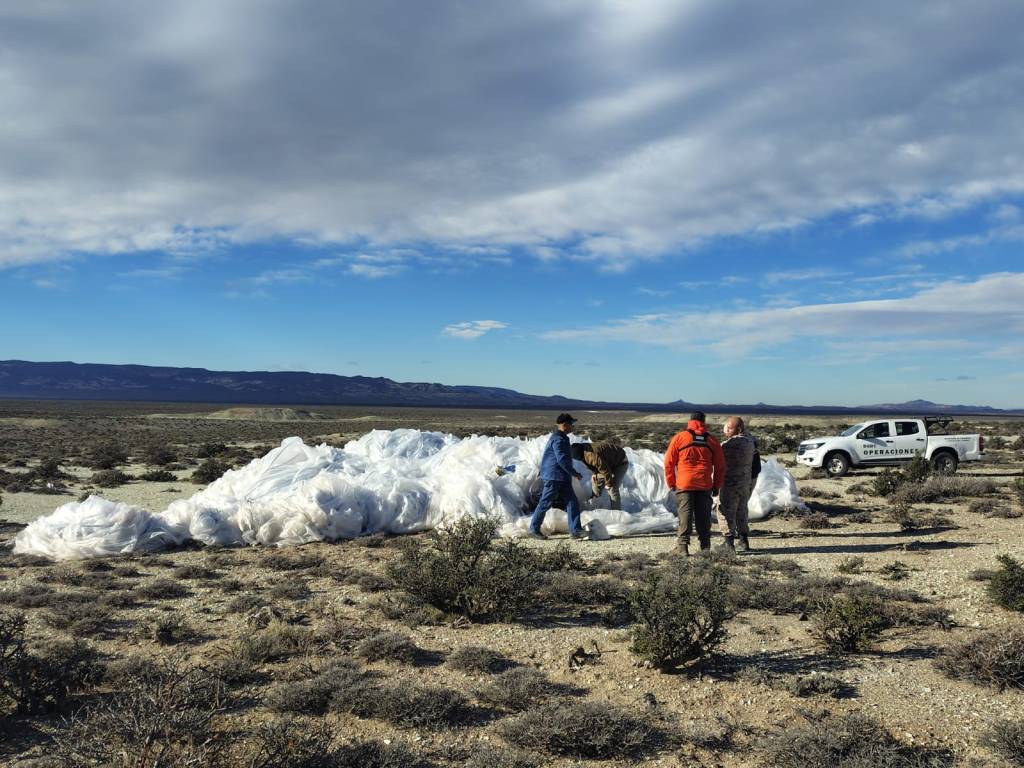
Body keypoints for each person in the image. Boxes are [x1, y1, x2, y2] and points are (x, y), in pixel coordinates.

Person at [664, 411, 725, 555]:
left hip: (684, 483)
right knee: (703, 516)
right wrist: (716, 486)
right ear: (704, 421)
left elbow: (668, 463)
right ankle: (705, 546)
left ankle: (682, 547)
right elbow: (720, 466)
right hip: (704, 483)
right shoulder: (712, 440)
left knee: (685, 515)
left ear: (690, 421)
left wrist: (671, 483)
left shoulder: (680, 437)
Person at [529, 413, 585, 539]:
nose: (572, 426)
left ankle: (575, 530)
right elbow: (561, 460)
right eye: (571, 424)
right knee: (545, 502)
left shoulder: (562, 438)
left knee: (572, 502)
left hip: (562, 477)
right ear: (564, 425)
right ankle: (534, 529)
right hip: (553, 477)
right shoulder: (558, 439)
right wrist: (574, 473)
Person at [717, 416, 757, 552]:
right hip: (745, 482)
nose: (726, 431)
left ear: (738, 429)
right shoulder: (750, 440)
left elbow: (717, 452)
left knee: (725, 510)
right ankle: (743, 540)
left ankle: (728, 543)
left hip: (730, 483)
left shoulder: (731, 444)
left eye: (729, 428)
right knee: (741, 510)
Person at [571, 441, 629, 510]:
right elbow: (595, 464)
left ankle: (616, 512)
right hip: (608, 462)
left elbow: (606, 471)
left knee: (612, 488)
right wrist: (595, 474)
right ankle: (595, 503)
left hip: (621, 462)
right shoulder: (582, 450)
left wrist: (608, 484)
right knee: (595, 480)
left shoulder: (591, 455)